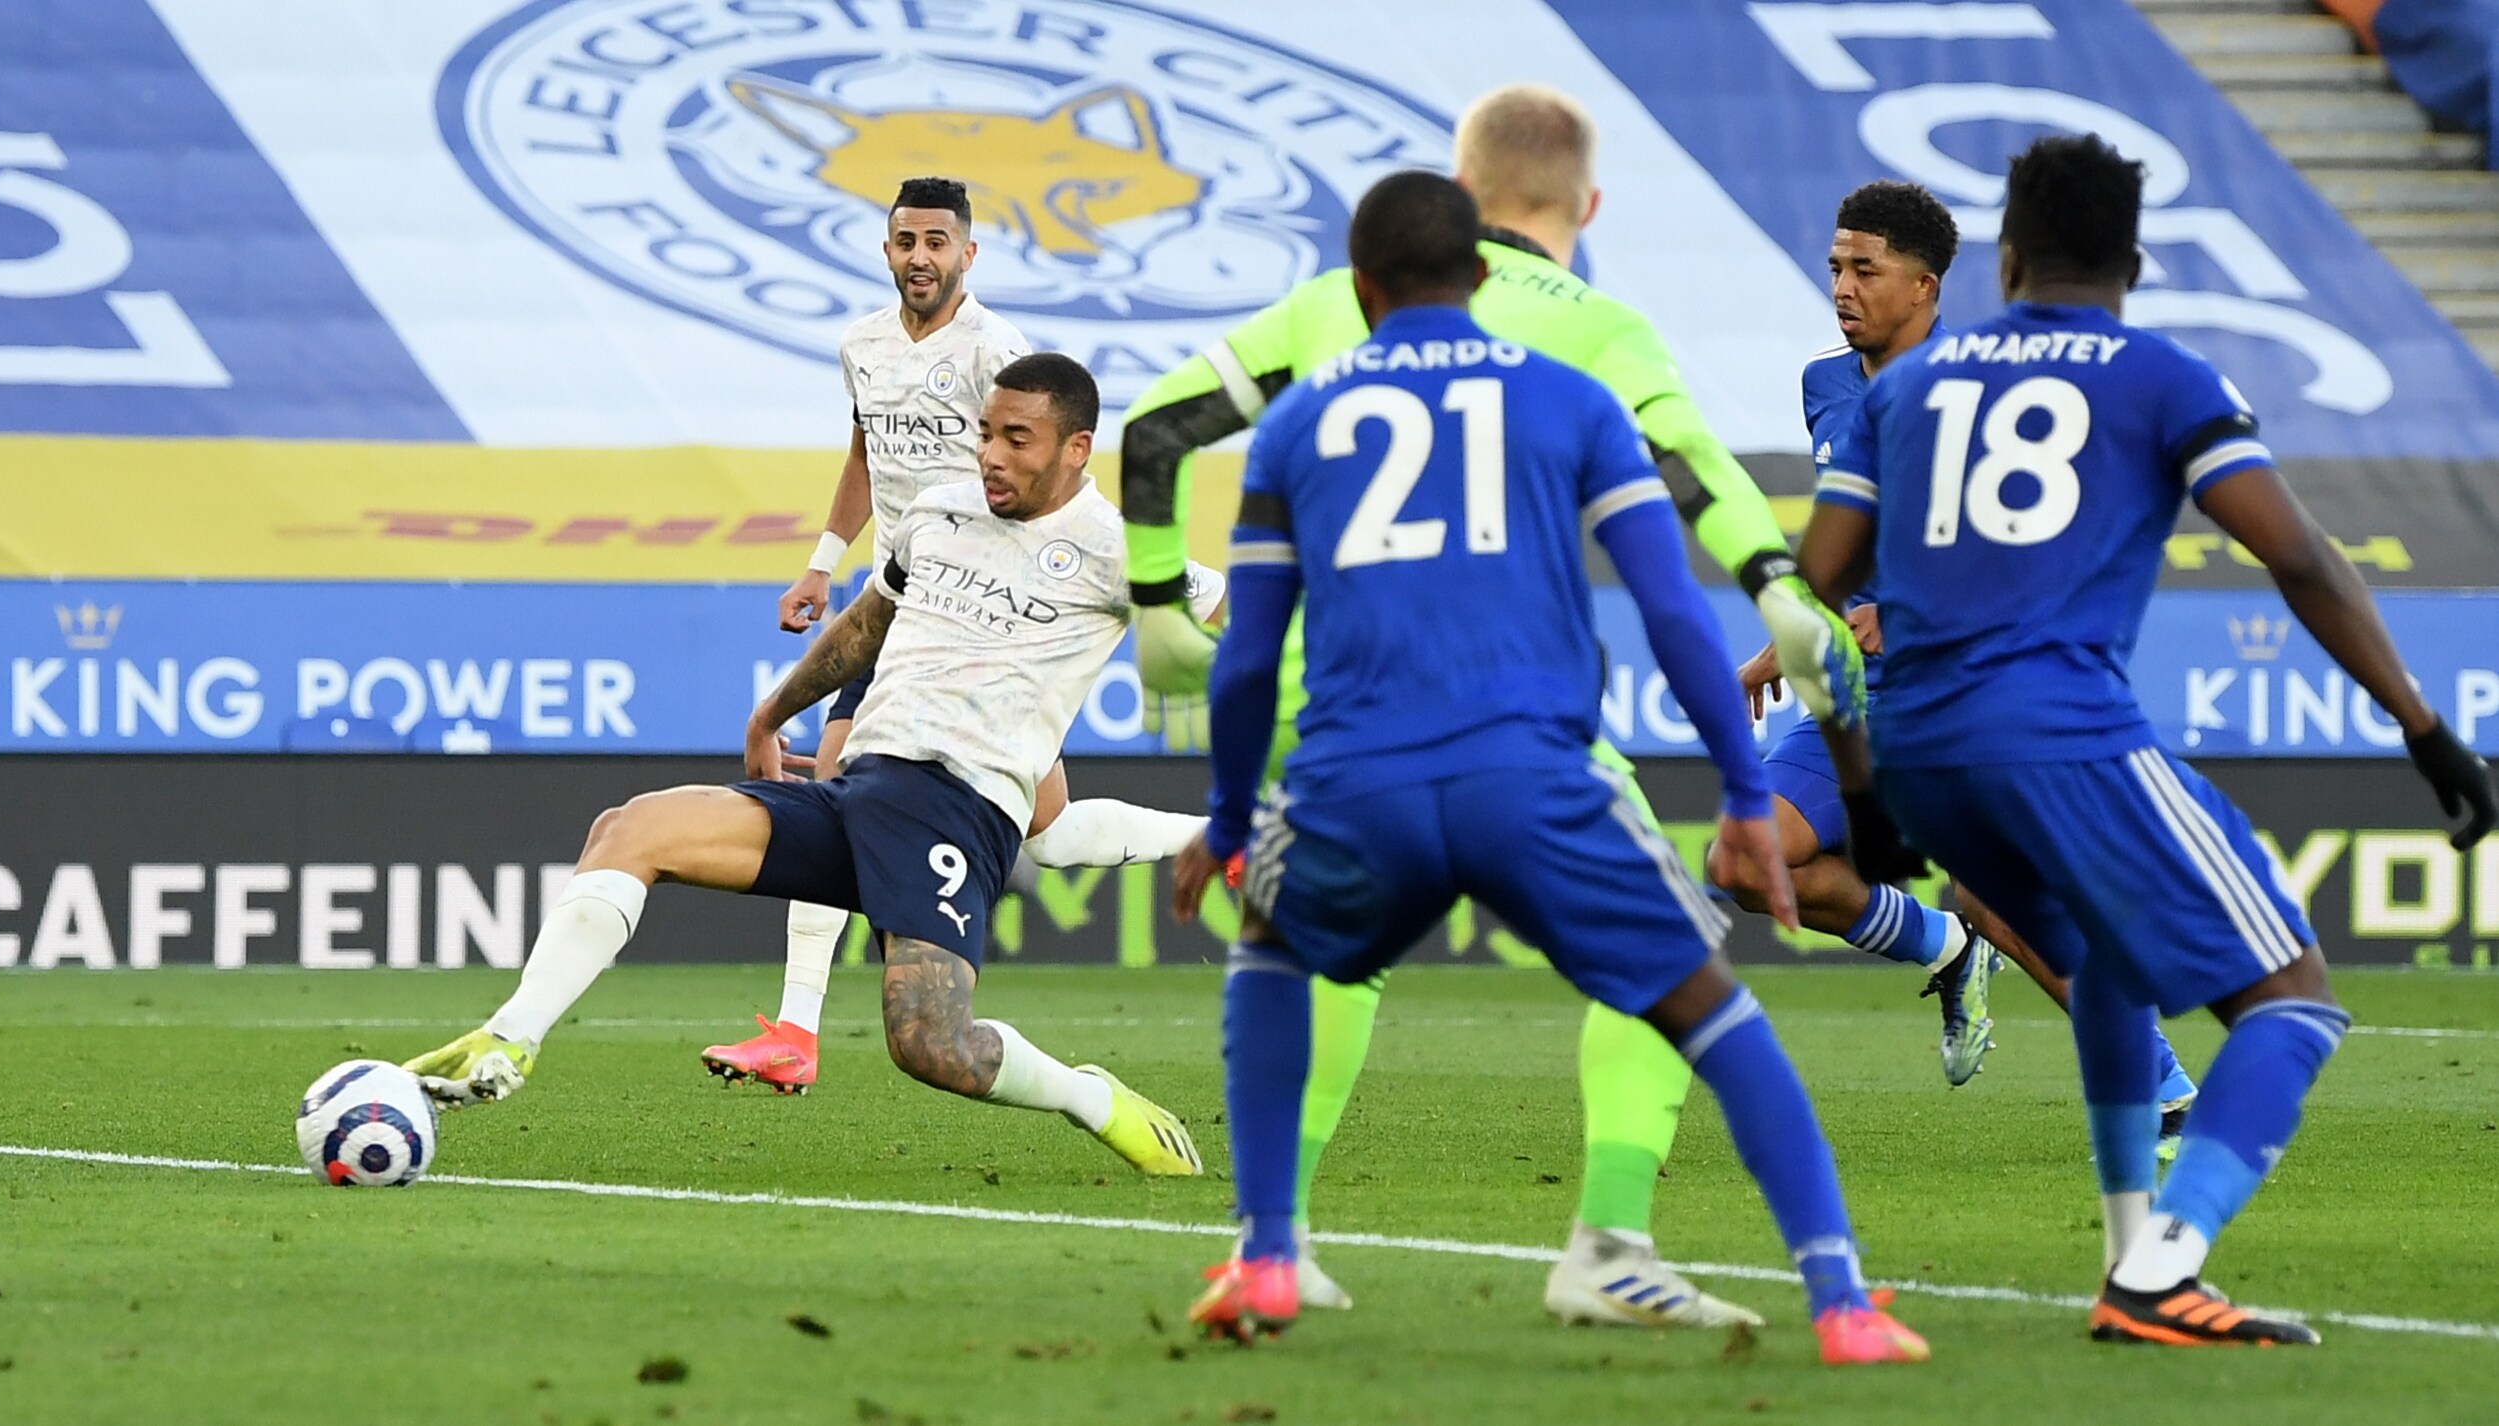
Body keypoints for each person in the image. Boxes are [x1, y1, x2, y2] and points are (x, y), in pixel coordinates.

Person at [1115, 83, 1865, 1329]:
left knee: (1302, 958)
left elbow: (1151, 433)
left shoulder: (1324, 317)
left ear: (1452, 206)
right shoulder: (1595, 340)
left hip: (1324, 709)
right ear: (1588, 206)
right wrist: (1775, 585)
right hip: (1510, 719)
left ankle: (1270, 1245)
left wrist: (1154, 614)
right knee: (1680, 962)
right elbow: (1689, 476)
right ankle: (1619, 1240)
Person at [1798, 134, 2496, 1345]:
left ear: (2004, 260)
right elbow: (2297, 556)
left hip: (1916, 748)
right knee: (2292, 1001)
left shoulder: (1906, 388)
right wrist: (2423, 726)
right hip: (2060, 737)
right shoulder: (2162, 375)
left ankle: (2128, 1261)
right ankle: (2162, 1269)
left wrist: (1862, 793)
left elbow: (1808, 585)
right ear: (2129, 262)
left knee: (2107, 962)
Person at [405, 354, 1208, 1180]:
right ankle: (509, 1040)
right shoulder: (939, 510)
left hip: (956, 810)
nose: (990, 456)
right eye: (983, 434)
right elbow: (867, 624)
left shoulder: (1118, 549)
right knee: (631, 827)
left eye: (1016, 439)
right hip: (859, 785)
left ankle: (1093, 1099)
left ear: (1076, 448)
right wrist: (771, 714)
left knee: (932, 1045)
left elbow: (1232, 616)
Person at [1713, 182, 2200, 1134]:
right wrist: (1786, 640)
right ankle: (1944, 950)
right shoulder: (1825, 383)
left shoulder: (1991, 396)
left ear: (1924, 286)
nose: (1842, 288)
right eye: (1835, 268)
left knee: (1999, 896)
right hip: (1857, 690)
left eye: (1865, 270)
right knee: (1747, 860)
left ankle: (2164, 1093)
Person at [706, 177, 1212, 1093]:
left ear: (967, 254)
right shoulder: (861, 345)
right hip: (903, 588)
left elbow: (1052, 467)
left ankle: (796, 1030)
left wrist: (1069, 567)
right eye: (906, 240)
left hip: (978, 604)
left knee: (844, 776)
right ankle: (1220, 839)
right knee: (1044, 829)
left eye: (937, 241)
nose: (920, 257)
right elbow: (864, 455)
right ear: (886, 248)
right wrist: (823, 562)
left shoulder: (995, 350)